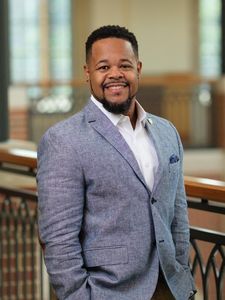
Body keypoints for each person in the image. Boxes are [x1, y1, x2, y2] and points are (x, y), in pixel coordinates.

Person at [37, 25, 196, 300]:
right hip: (107, 292)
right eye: (103, 67)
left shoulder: (167, 132)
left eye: (125, 65)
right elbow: (59, 239)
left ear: (138, 69)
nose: (115, 74)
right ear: (88, 73)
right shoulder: (63, 141)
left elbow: (178, 214)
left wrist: (182, 271)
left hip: (171, 289)